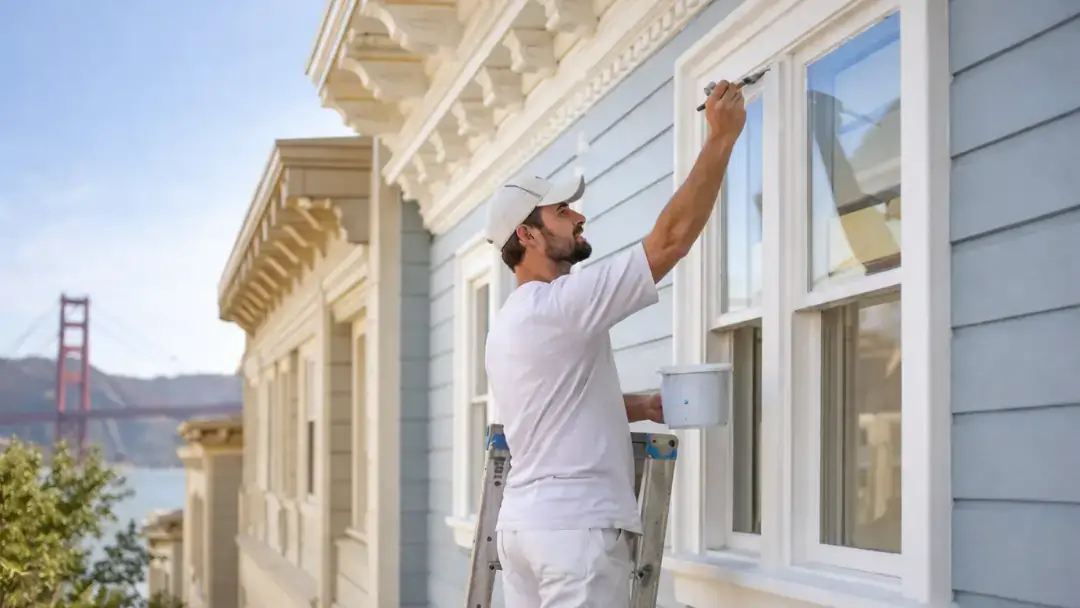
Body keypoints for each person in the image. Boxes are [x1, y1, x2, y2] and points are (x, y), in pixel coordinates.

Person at [482, 79, 748, 607]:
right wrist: (721, 138)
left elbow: (554, 408)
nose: (579, 216)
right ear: (527, 236)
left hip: (522, 531)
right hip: (575, 534)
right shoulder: (560, 305)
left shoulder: (509, 323)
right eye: (562, 212)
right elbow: (670, 243)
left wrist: (640, 406)